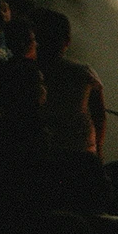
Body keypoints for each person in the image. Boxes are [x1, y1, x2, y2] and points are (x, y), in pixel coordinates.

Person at [34, 9, 106, 156]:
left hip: (41, 152)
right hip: (79, 151)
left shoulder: (25, 72)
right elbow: (99, 116)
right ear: (67, 41)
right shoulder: (84, 72)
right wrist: (98, 151)